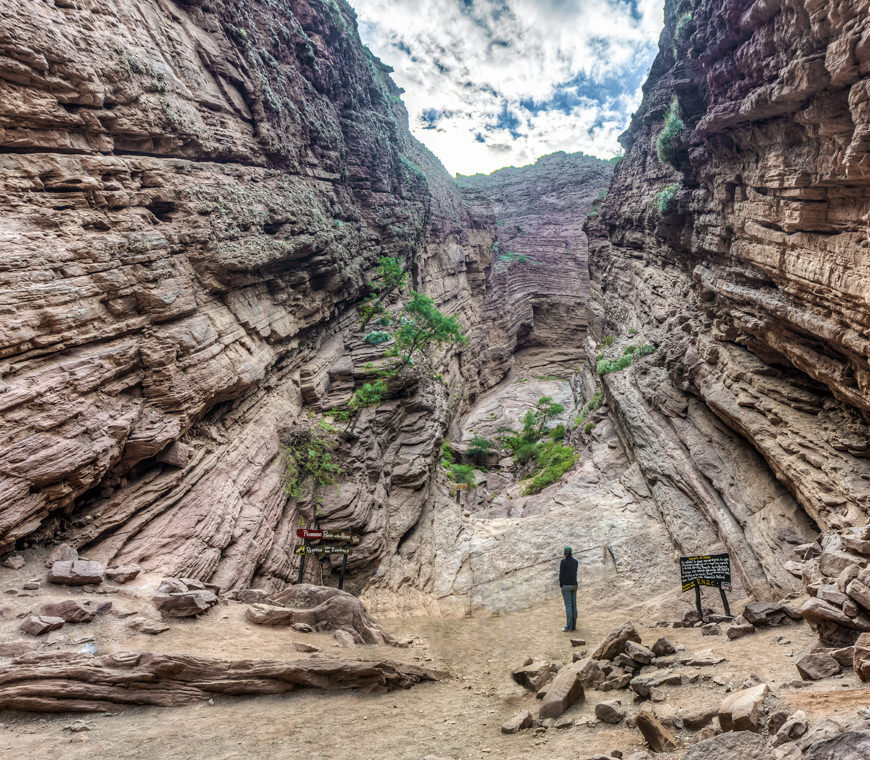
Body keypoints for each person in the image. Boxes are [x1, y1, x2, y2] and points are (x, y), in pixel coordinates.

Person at [559, 545, 578, 631]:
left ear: (565, 553)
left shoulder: (563, 561)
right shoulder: (576, 561)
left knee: (568, 606)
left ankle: (568, 626)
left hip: (566, 585)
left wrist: (561, 584)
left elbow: (561, 574)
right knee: (574, 606)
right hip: (574, 585)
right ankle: (573, 626)